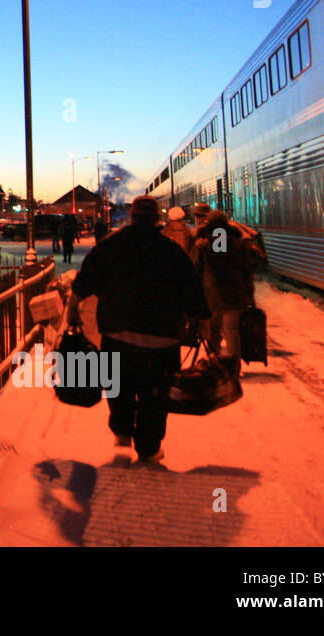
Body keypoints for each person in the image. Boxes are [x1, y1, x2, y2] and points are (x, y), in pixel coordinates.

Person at [65, 195, 209, 463]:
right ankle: (149, 446)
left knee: (119, 386)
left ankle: (122, 431)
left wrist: (74, 308)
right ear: (157, 219)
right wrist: (201, 319)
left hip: (118, 333)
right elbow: (192, 287)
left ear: (133, 216)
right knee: (156, 394)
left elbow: (86, 278)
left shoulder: (111, 246)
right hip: (162, 339)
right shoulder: (171, 251)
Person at [190, 209, 261, 369]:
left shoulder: (203, 245)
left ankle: (215, 366)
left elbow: (194, 271)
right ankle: (233, 369)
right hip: (234, 297)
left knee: (213, 333)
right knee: (232, 333)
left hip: (211, 298)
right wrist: (249, 295)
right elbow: (247, 272)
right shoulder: (239, 243)